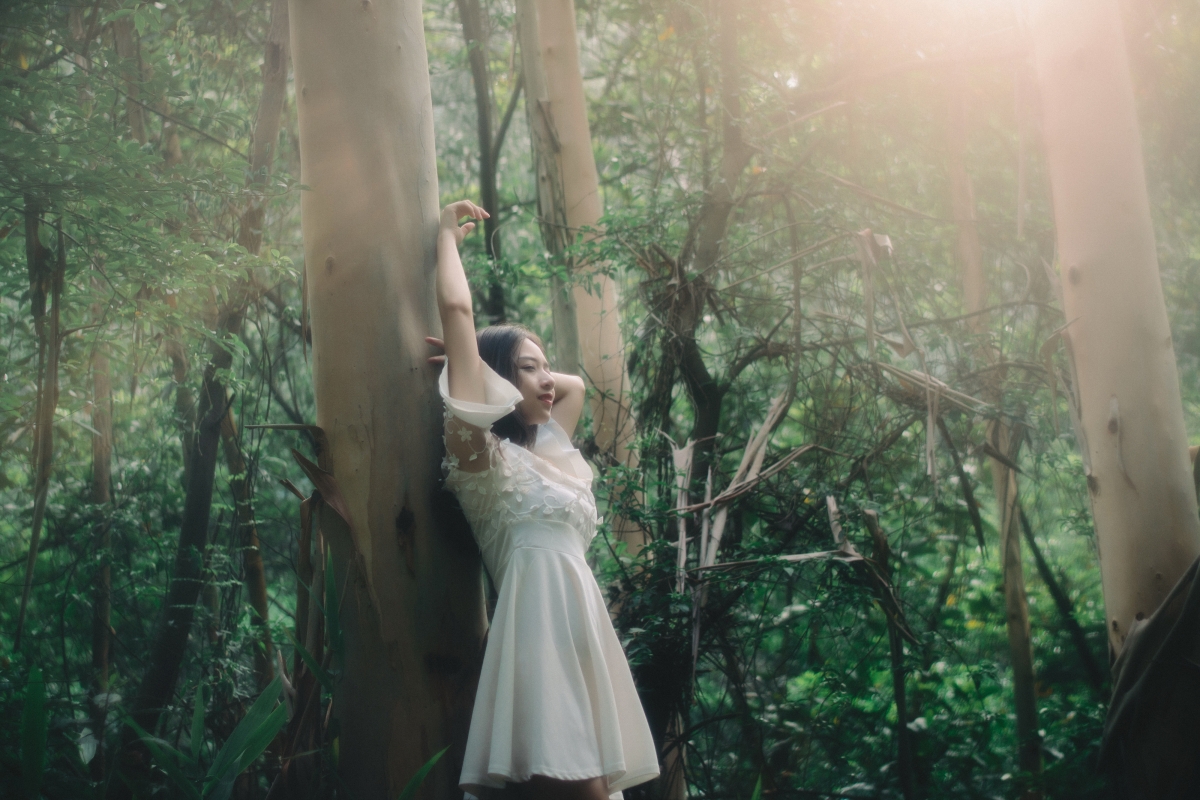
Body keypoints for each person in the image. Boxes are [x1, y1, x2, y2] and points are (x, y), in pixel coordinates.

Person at [430, 200, 659, 800]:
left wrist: (508, 368)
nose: (549, 379)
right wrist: (444, 236)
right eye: (529, 369)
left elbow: (577, 385)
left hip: (581, 635)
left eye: (545, 366)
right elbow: (456, 309)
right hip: (535, 638)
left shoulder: (552, 453)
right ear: (499, 381)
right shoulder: (482, 459)